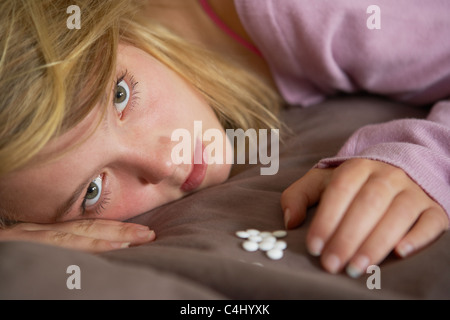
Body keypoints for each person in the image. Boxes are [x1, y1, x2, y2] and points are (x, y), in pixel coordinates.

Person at [0, 0, 448, 279]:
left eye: (120, 95)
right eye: (92, 191)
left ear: (122, 31)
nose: (164, 161)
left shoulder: (316, 13)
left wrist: (425, 157)